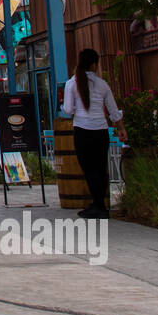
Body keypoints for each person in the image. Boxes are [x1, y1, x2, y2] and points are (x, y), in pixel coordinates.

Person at [61, 47, 126, 219]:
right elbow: (113, 110)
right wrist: (121, 129)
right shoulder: (102, 84)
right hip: (101, 130)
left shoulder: (71, 84)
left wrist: (65, 106)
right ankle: (100, 205)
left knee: (89, 169)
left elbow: (68, 109)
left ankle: (98, 205)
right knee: (100, 168)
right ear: (94, 64)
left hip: (82, 131)